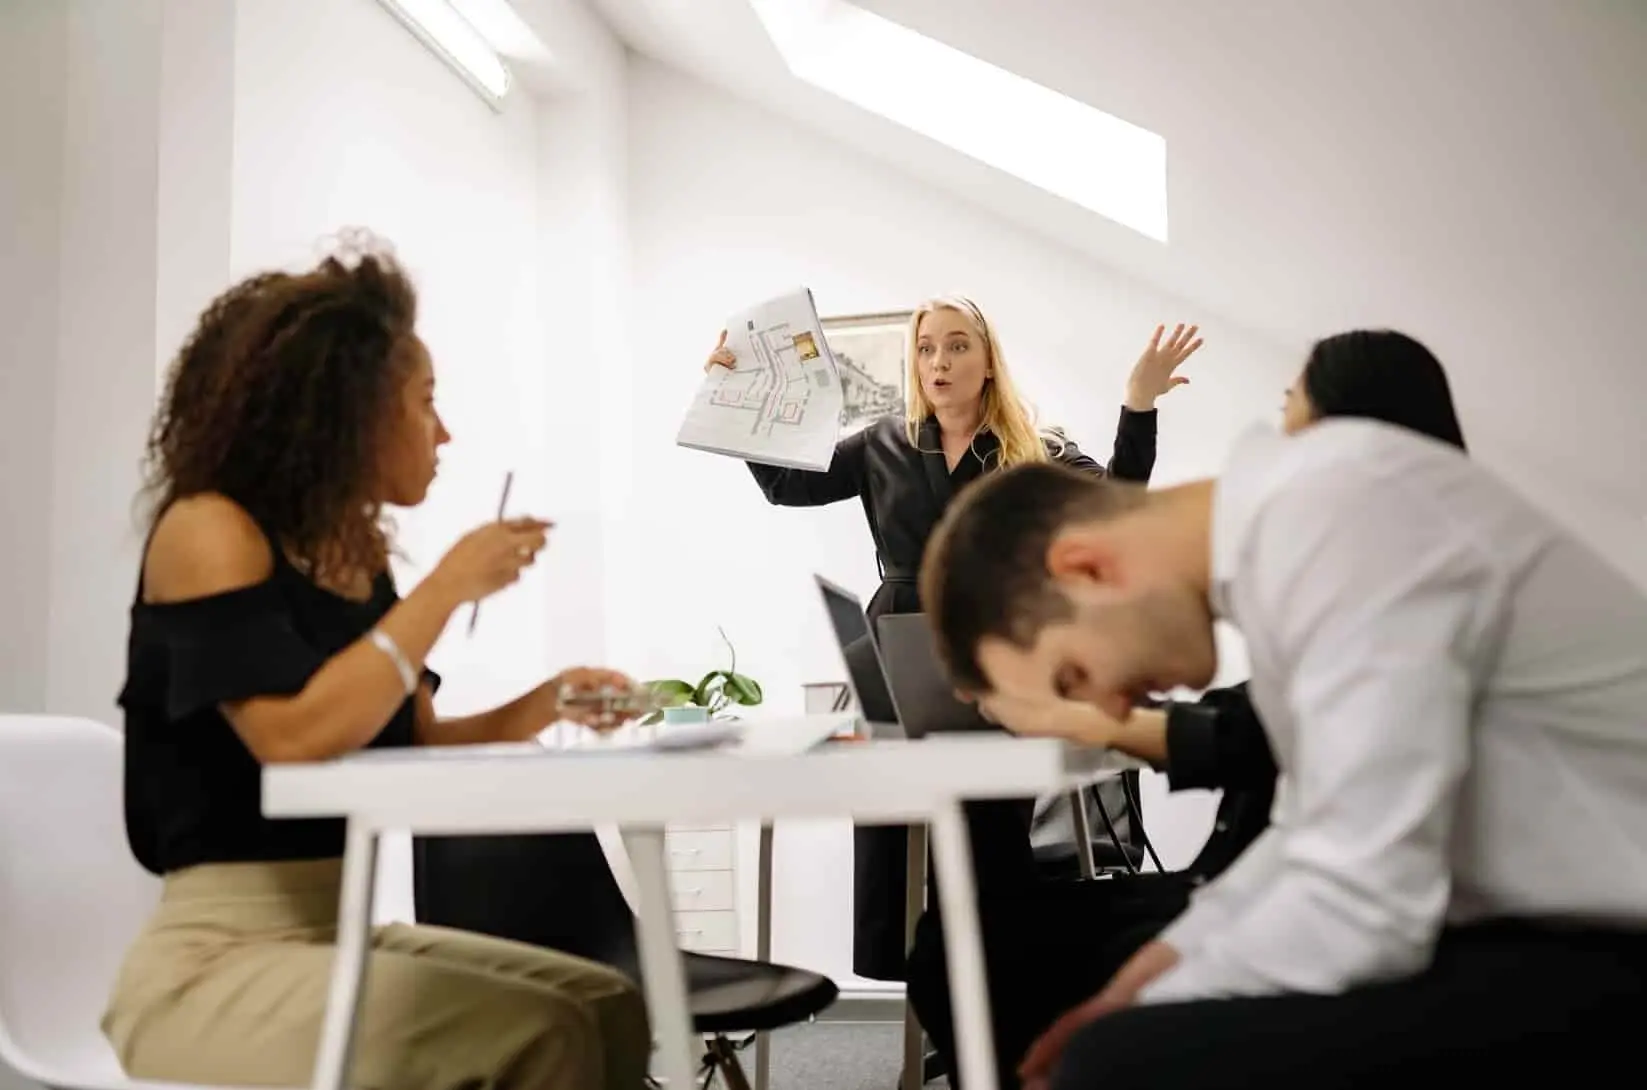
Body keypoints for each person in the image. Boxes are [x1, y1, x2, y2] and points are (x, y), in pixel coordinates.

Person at [920, 332, 1647, 1088]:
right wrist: (1149, 973)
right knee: (1110, 1031)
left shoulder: (1335, 511)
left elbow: (1364, 905)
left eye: (1074, 676)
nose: (1107, 708)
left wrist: (1139, 1013)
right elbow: (1307, 831)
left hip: (1610, 945)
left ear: (1086, 568)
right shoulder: (1286, 534)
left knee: (1112, 1063)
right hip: (1546, 927)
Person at [105, 238, 652, 1090]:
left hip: (334, 932)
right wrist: (444, 588)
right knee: (544, 1033)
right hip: (209, 961)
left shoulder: (356, 555)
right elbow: (293, 738)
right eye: (425, 402)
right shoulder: (207, 531)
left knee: (608, 1004)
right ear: (347, 412)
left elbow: (411, 737)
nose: (444, 432)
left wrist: (548, 702)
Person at [704, 297, 1204, 982]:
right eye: (926, 347)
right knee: (893, 818)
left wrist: (1138, 404)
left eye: (958, 345)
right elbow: (786, 485)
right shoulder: (881, 443)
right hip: (897, 644)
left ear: (988, 360)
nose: (939, 361)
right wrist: (736, 398)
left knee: (987, 826)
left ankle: (992, 979)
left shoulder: (1034, 449)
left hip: (993, 649)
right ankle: (921, 979)